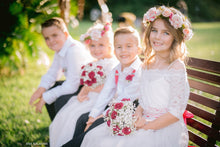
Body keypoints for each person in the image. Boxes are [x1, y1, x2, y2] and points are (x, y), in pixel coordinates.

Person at [81, 5, 193, 147]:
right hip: (143, 120)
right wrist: (138, 114)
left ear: (175, 37)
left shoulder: (176, 67)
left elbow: (175, 113)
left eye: (166, 33)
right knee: (95, 136)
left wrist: (146, 125)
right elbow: (143, 100)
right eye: (154, 30)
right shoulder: (147, 63)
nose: (158, 37)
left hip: (163, 128)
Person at [63, 26, 143, 147]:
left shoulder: (139, 71)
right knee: (83, 120)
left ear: (138, 50)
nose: (123, 51)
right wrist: (93, 115)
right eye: (119, 47)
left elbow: (126, 98)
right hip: (115, 107)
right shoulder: (116, 70)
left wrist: (102, 116)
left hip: (131, 109)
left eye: (128, 46)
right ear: (114, 50)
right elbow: (106, 94)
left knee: (95, 126)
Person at [49, 22, 119, 147]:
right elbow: (87, 84)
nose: (96, 49)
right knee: (65, 114)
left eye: (101, 45)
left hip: (102, 100)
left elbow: (109, 87)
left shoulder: (112, 64)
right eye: (92, 45)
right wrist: (82, 93)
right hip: (90, 97)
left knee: (74, 117)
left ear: (110, 46)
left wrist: (90, 88)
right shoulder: (93, 63)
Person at [29, 17, 93, 121]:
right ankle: (55, 126)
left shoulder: (73, 50)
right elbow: (53, 72)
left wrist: (45, 97)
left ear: (66, 34)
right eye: (47, 38)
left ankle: (61, 128)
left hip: (87, 88)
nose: (51, 41)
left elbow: (72, 85)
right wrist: (41, 88)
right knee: (51, 89)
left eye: (54, 35)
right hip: (76, 84)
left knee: (58, 99)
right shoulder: (60, 49)